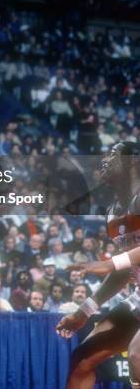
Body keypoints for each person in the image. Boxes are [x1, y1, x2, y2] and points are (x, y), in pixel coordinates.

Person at [56, 142, 140, 389]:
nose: (104, 160)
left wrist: (110, 263)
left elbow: (117, 264)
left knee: (137, 355)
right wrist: (84, 311)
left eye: (113, 154)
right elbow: (124, 270)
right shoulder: (113, 213)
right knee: (82, 360)